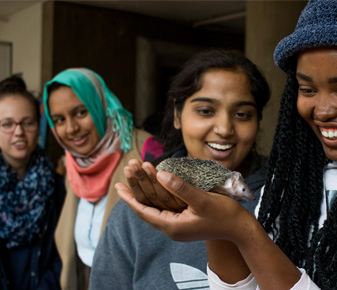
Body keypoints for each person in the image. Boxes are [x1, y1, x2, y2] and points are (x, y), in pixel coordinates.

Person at [116, 0, 337, 289]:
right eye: (307, 89)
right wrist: (219, 230)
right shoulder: (294, 175)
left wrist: (242, 230)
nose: (322, 111)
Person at [89, 49, 270, 289]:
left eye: (242, 114)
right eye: (205, 111)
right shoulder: (142, 205)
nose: (225, 128)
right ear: (177, 115)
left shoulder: (288, 194)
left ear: (257, 121)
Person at [42, 68, 150, 290]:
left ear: (101, 105)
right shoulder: (73, 163)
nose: (71, 128)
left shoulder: (147, 152)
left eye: (81, 112)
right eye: (59, 120)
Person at [0, 76, 65, 289]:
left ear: (38, 127)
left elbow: (61, 255)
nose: (18, 132)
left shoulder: (58, 186)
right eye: (7, 124)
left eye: (27, 122)